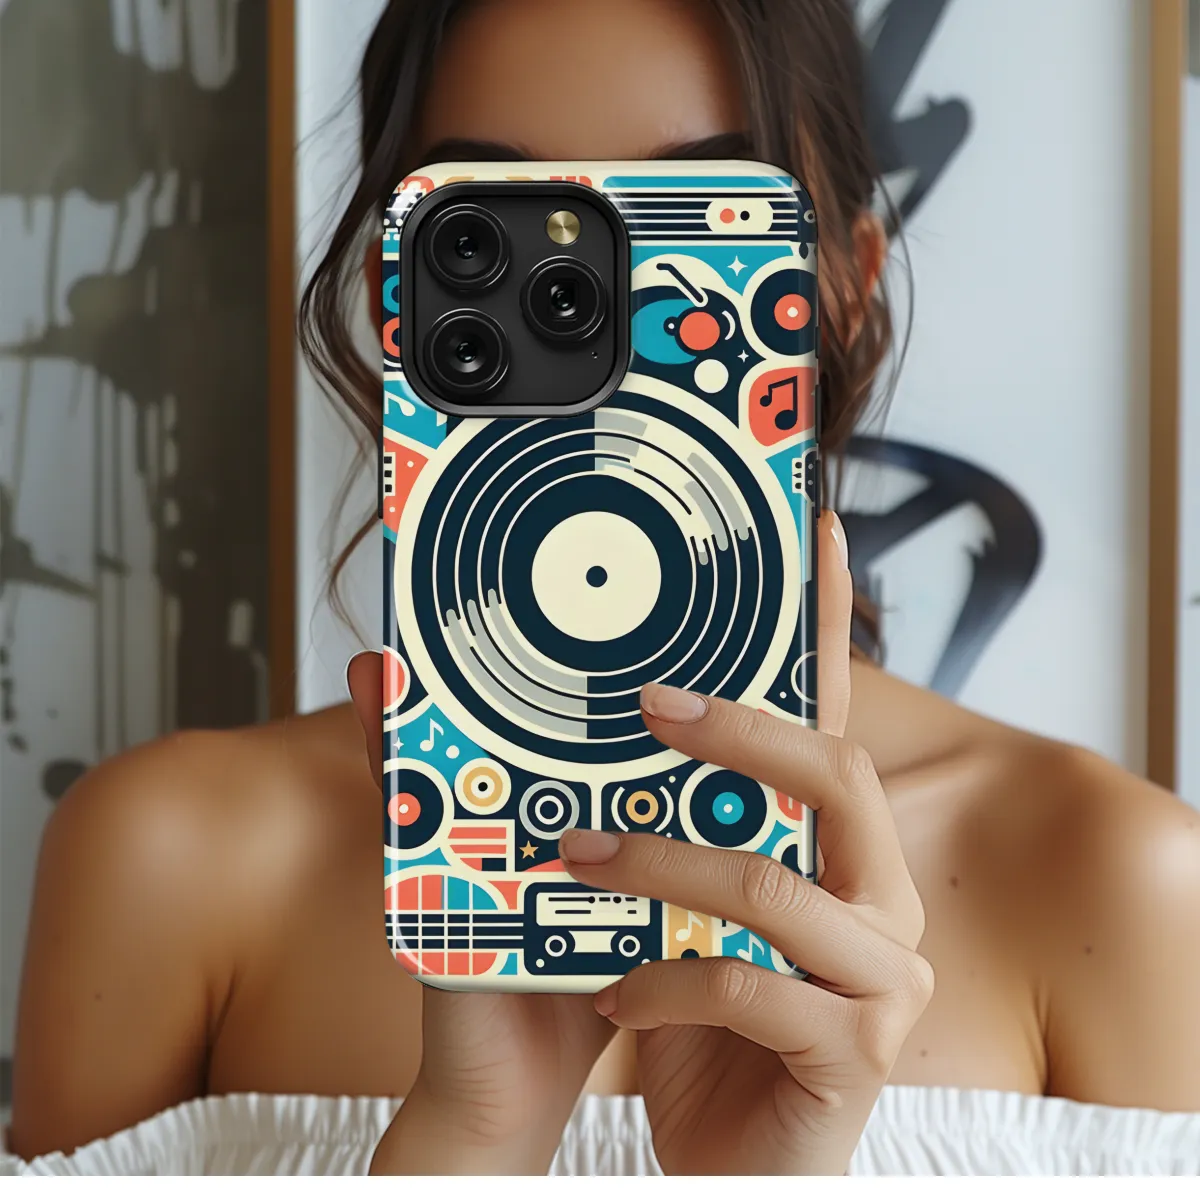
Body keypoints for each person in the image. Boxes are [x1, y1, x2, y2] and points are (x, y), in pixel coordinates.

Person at [8, 0, 1200, 1177]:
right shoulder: (170, 861)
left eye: (697, 220)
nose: (610, 311)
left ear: (844, 285)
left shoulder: (1115, 882)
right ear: (395, 293)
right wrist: (473, 1141)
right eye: (492, 229)